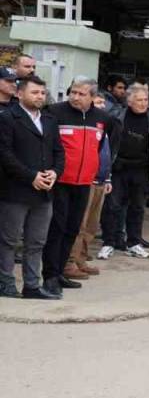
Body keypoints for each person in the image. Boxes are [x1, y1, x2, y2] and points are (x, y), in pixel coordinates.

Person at [42, 77, 112, 289]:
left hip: (84, 182)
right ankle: (50, 275)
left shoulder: (101, 118)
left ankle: (62, 270)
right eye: (73, 92)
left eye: (81, 94)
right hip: (60, 181)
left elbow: (99, 148)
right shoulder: (54, 112)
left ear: (92, 97)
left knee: (73, 228)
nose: (75, 97)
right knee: (57, 228)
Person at [0, 75, 64, 299]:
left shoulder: (48, 120)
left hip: (44, 192)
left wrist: (55, 172)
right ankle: (5, 283)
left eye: (42, 93)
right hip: (15, 191)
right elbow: (5, 155)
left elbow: (59, 152)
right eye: (34, 92)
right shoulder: (7, 118)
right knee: (8, 240)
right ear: (19, 94)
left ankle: (32, 286)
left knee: (36, 242)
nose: (39, 97)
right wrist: (31, 177)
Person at [103, 84, 149, 259]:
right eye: (139, 100)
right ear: (129, 101)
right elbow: (107, 143)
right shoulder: (116, 116)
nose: (143, 103)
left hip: (142, 170)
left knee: (137, 208)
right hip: (119, 168)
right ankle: (109, 242)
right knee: (112, 207)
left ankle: (134, 243)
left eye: (145, 100)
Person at [77, 92, 113, 268]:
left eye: (103, 103)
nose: (102, 106)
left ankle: (82, 258)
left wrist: (107, 178)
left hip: (101, 181)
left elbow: (106, 155)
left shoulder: (102, 126)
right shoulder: (86, 125)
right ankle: (73, 262)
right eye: (98, 102)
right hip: (87, 181)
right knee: (80, 224)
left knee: (92, 225)